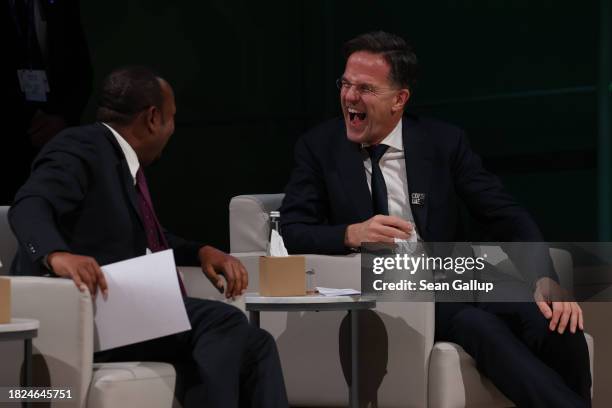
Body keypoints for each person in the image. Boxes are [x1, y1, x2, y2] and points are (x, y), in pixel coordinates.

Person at [280, 31, 591, 407]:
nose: (349, 97)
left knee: (558, 323)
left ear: (400, 99)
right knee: (480, 328)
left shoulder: (442, 142)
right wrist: (351, 233)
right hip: (393, 290)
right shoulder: (318, 148)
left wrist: (544, 276)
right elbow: (295, 231)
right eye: (345, 84)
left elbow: (505, 214)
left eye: (365, 88)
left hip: (458, 274)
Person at [9, 66, 288, 408]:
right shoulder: (78, 147)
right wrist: (56, 255)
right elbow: (29, 205)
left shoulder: (119, 160)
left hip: (119, 311)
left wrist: (200, 251)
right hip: (81, 313)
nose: (172, 129)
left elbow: (148, 236)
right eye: (172, 118)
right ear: (153, 118)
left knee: (257, 343)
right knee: (224, 320)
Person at [2, 0, 93, 205]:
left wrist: (63, 118)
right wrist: (26, 116)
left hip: (55, 141)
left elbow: (81, 69)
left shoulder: (61, 4)